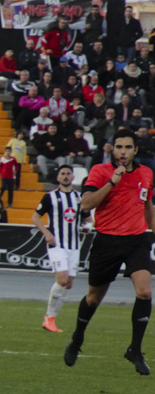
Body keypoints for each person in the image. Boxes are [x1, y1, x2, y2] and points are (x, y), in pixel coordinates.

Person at [64, 129, 155, 374]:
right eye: (119, 147)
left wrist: (153, 231)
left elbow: (147, 205)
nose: (123, 152)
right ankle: (77, 338)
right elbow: (85, 204)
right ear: (112, 149)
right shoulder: (100, 172)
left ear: (135, 150)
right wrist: (113, 180)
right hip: (107, 241)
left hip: (137, 240)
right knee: (94, 297)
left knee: (145, 292)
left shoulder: (146, 173)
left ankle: (134, 350)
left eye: (128, 147)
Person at [33, 166, 85, 333]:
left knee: (68, 284)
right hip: (57, 244)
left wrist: (87, 227)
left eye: (68, 174)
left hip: (74, 246)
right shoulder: (50, 197)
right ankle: (49, 317)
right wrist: (46, 233)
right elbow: (35, 217)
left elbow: (88, 219)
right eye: (62, 174)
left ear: (72, 177)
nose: (65, 176)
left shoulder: (79, 198)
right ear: (57, 177)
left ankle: (51, 318)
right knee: (62, 280)